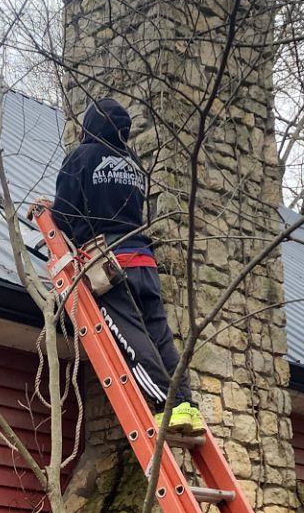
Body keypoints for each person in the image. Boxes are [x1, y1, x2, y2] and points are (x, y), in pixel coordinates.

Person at [53, 96, 203, 433]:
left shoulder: (83, 157)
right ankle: (185, 405)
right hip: (144, 260)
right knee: (160, 335)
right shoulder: (133, 162)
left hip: (109, 261)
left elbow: (62, 213)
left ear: (90, 126)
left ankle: (166, 403)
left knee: (132, 339)